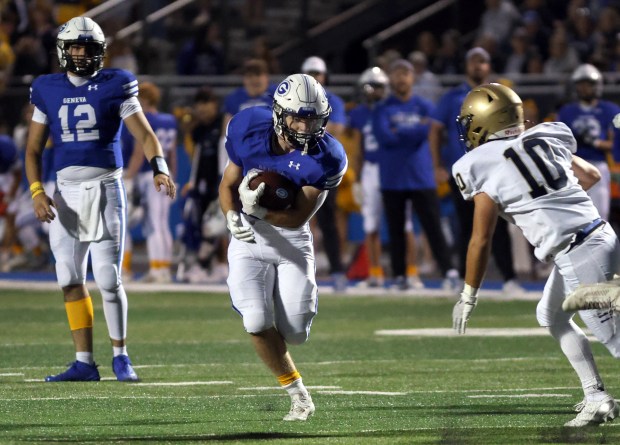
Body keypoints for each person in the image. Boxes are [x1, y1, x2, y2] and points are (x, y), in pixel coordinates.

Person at [451, 82, 619, 427]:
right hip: (600, 235)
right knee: (552, 316)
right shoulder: (545, 136)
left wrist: (469, 294)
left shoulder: (477, 163)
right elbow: (591, 175)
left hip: (578, 253)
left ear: (483, 121)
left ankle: (598, 398)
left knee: (616, 340)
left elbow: (481, 240)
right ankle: (595, 395)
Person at [25, 17, 176, 382]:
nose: (80, 53)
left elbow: (145, 134)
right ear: (63, 50)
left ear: (100, 52)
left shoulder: (116, 83)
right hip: (65, 192)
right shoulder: (46, 87)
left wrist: (159, 167)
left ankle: (121, 355)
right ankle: (83, 362)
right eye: (74, 46)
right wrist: (36, 191)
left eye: (87, 47)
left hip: (105, 187)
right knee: (69, 278)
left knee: (108, 278)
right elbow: (32, 149)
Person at [219, 73, 347, 420]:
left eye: (314, 119)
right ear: (279, 113)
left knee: (295, 333)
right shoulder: (247, 127)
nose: (306, 127)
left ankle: (283, 307)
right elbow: (228, 184)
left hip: (290, 239)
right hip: (248, 237)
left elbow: (298, 216)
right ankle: (298, 394)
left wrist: (259, 209)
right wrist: (233, 217)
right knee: (257, 320)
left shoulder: (328, 156)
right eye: (299, 117)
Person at [430, 47, 522, 294]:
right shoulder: (452, 97)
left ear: (488, 66)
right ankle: (464, 277)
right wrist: (437, 164)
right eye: (473, 61)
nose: (478, 66)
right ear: (466, 65)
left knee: (500, 226)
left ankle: (509, 278)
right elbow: (436, 130)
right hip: (464, 170)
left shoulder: (501, 94)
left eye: (482, 61)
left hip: (495, 170)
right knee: (464, 225)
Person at [372, 58, 459, 291]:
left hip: (421, 176)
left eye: (405, 74)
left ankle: (449, 271)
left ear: (413, 78)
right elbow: (384, 137)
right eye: (397, 74)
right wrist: (414, 130)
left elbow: (427, 132)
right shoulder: (381, 107)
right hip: (392, 177)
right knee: (396, 229)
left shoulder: (426, 106)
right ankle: (400, 275)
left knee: (433, 226)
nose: (401, 78)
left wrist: (400, 131)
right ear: (390, 78)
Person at [348, 67, 423, 289]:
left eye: (378, 86)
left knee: (405, 223)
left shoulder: (392, 108)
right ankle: (375, 272)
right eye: (370, 87)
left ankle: (411, 272)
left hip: (392, 167)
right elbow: (358, 147)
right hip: (371, 169)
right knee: (370, 223)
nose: (373, 91)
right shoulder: (359, 113)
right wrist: (358, 177)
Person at [122, 81, 178, 283]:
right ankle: (163, 268)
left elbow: (139, 152)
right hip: (166, 173)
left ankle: (157, 269)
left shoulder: (145, 118)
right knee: (162, 224)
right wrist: (175, 178)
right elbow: (172, 154)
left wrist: (128, 178)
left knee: (154, 224)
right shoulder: (169, 120)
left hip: (150, 175)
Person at [301, 56, 348, 291]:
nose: (314, 77)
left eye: (317, 73)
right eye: (310, 73)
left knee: (328, 221)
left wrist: (303, 129)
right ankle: (297, 271)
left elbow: (337, 128)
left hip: (324, 166)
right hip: (298, 167)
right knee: (295, 221)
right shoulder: (293, 98)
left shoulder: (333, 101)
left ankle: (337, 270)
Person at [557, 64, 618, 222]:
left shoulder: (612, 110)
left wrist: (595, 142)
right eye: (581, 84)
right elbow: (557, 142)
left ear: (597, 85)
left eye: (588, 84)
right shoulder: (566, 112)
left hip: (598, 164)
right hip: (572, 165)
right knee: (572, 217)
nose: (584, 88)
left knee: (600, 215)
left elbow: (615, 142)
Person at [176, 86, 226, 283]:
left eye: (206, 104)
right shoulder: (198, 129)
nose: (203, 109)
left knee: (216, 226)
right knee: (206, 225)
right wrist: (192, 183)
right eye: (199, 105)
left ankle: (212, 265)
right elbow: (195, 158)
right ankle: (215, 266)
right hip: (204, 183)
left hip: (221, 181)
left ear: (214, 105)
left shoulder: (223, 122)